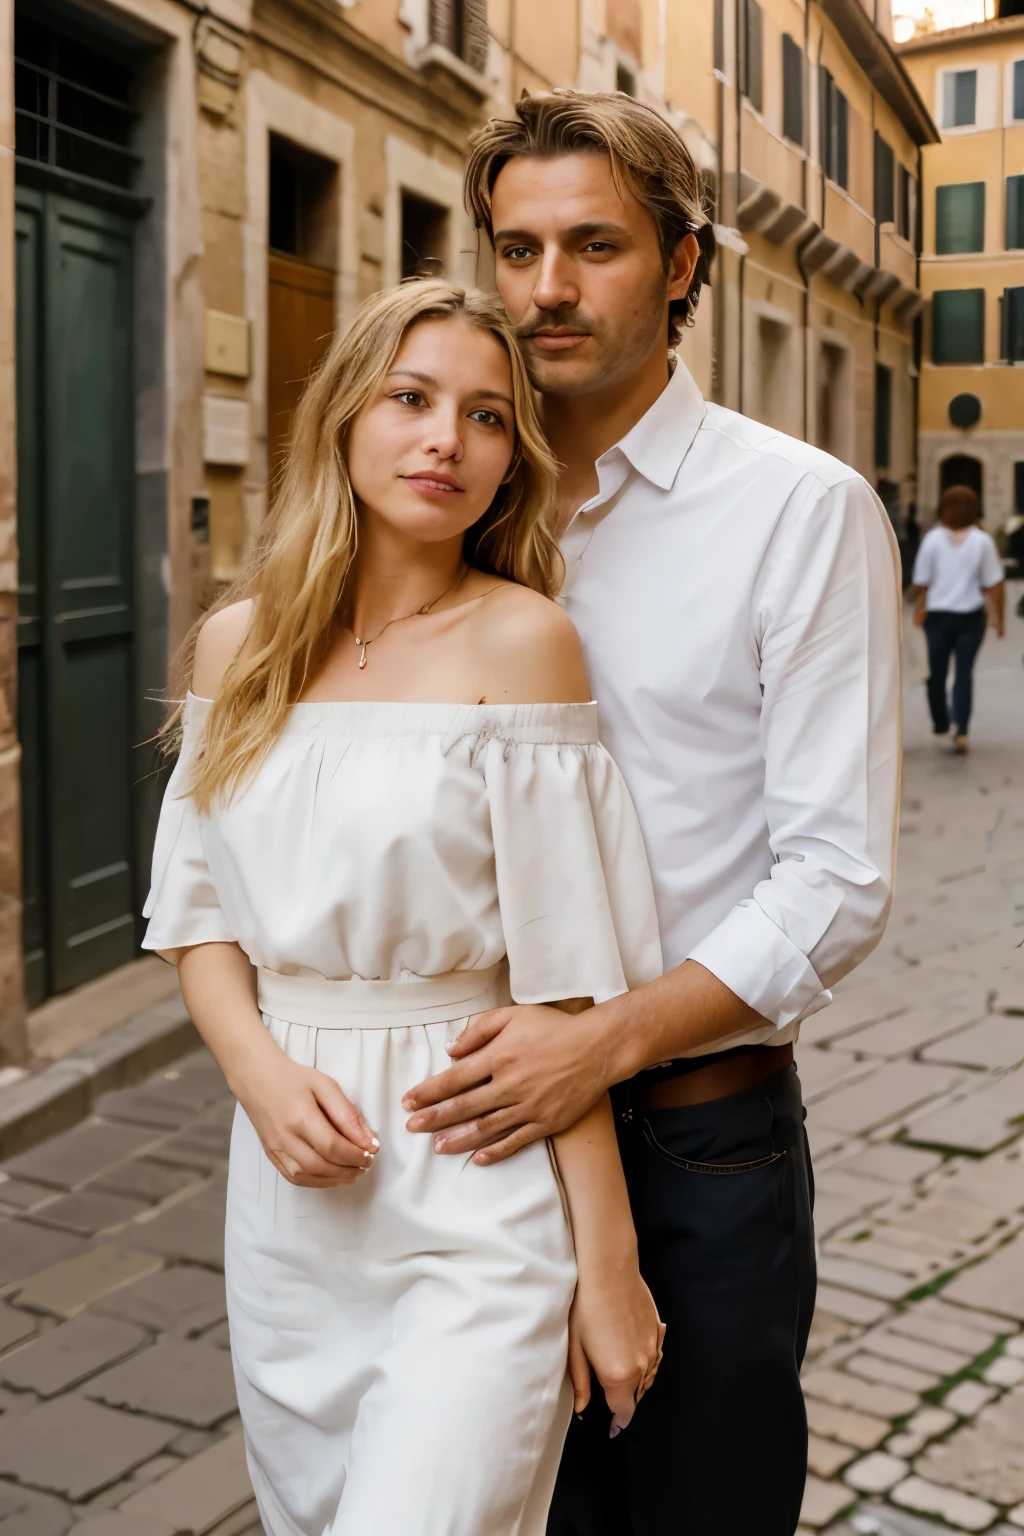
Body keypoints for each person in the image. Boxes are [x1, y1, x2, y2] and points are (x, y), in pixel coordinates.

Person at [401, 92, 902, 1536]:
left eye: (595, 246)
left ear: (683, 264)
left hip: (696, 1153)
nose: (546, 288)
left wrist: (598, 1045)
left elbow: (835, 882)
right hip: (470, 1152)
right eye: (516, 247)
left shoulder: (796, 512)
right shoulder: (450, 500)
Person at [141, 280, 667, 1536]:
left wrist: (610, 1262)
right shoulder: (240, 647)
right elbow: (198, 912)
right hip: (289, 1200)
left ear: (509, 461)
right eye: (412, 399)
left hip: (474, 1175)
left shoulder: (523, 642)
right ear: (343, 420)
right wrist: (258, 1073)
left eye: (488, 418)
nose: (448, 439)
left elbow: (567, 985)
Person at [911, 484, 1005, 752]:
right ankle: (961, 729)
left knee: (935, 674)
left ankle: (941, 722)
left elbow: (922, 582)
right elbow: (994, 583)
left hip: (937, 619)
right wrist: (998, 618)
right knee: (964, 674)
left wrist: (920, 608)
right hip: (971, 619)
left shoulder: (932, 540)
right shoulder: (982, 541)